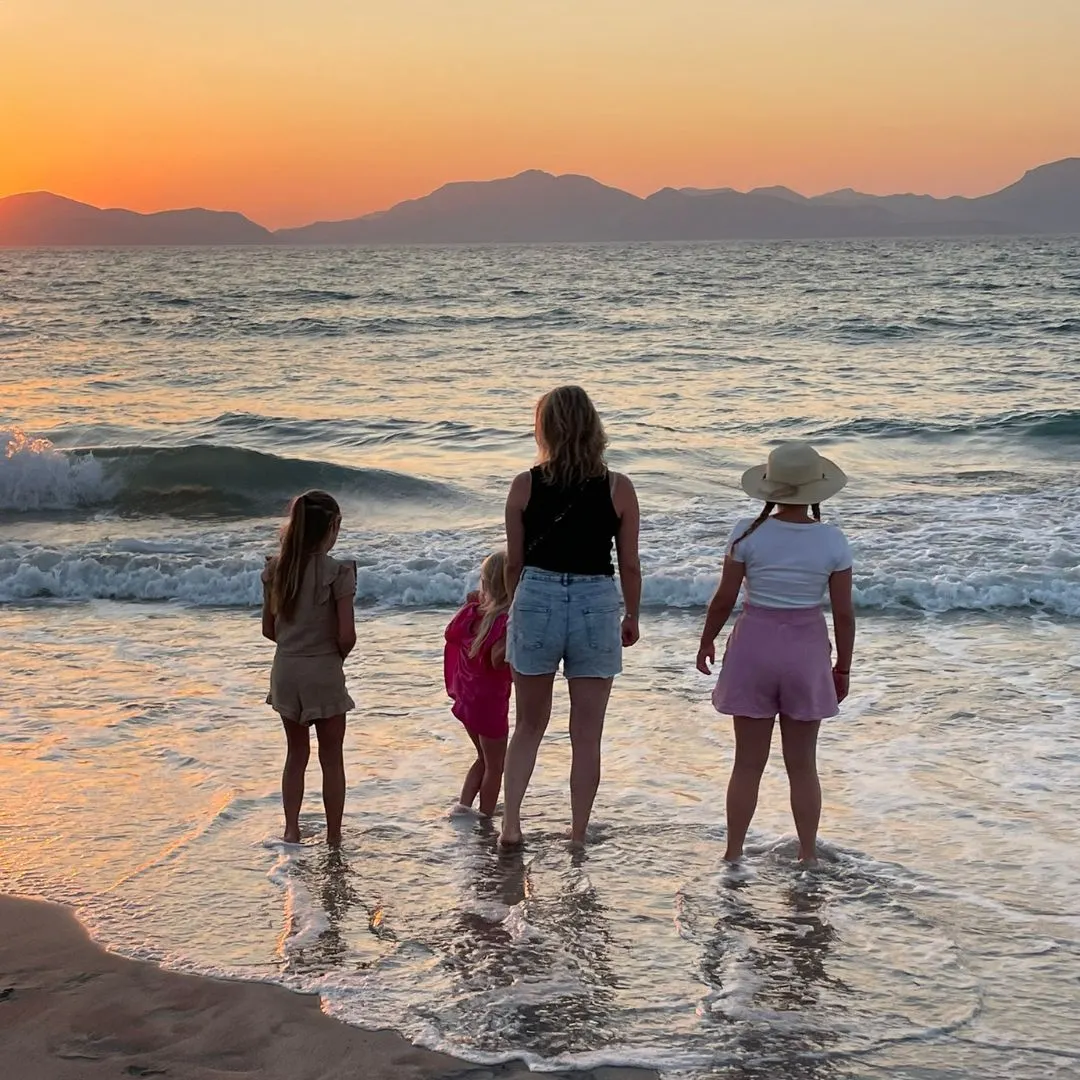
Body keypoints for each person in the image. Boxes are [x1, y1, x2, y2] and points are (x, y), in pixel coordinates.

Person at [695, 442, 855, 865]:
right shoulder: (832, 540)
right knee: (802, 766)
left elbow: (724, 597)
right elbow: (843, 613)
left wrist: (707, 639)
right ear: (816, 489)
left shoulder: (747, 533)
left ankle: (733, 855)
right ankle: (807, 856)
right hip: (806, 652)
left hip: (753, 647)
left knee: (747, 764)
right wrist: (843, 667)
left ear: (770, 487)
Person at [500, 385, 642, 848]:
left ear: (545, 429)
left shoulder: (525, 484)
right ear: (593, 427)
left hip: (536, 595)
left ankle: (511, 825)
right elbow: (629, 563)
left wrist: (514, 608)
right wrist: (632, 614)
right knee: (587, 733)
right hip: (596, 600)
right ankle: (577, 833)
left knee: (528, 725)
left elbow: (514, 563)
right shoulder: (618, 487)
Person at [261, 490, 357, 846]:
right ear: (332, 527)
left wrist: (294, 647)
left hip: (286, 671)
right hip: (323, 669)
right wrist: (334, 656)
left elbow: (268, 629)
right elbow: (347, 635)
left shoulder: (276, 569)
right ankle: (333, 836)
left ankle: (291, 830)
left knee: (296, 754)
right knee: (331, 759)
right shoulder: (338, 572)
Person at [444, 551, 512, 818]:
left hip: (467, 698)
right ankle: (485, 817)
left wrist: (471, 604)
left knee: (483, 758)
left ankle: (463, 808)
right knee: (496, 765)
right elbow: (497, 660)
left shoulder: (471, 614)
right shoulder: (504, 620)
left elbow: (450, 634)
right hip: (491, 703)